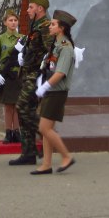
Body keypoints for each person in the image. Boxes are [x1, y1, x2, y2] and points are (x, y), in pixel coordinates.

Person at [31, 9, 79, 175]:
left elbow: (60, 73)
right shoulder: (56, 45)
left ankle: (66, 157)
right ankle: (46, 164)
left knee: (44, 129)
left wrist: (44, 87)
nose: (49, 27)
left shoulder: (65, 47)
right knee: (46, 129)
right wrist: (40, 82)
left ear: (62, 28)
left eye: (53, 24)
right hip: (50, 91)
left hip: (56, 92)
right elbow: (49, 68)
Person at [9, 0, 55, 166]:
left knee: (21, 107)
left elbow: (52, 51)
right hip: (28, 74)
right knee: (25, 111)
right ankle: (28, 152)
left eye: (31, 7)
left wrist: (44, 73)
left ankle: (49, 135)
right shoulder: (35, 26)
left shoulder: (45, 27)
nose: (27, 10)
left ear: (40, 9)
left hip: (36, 75)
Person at [0, 8, 22, 143]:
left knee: (17, 106)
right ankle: (8, 132)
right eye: (10, 20)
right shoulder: (0, 40)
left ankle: (17, 132)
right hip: (6, 77)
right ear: (5, 23)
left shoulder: (22, 39)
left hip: (19, 76)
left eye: (15, 20)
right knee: (8, 106)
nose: (13, 23)